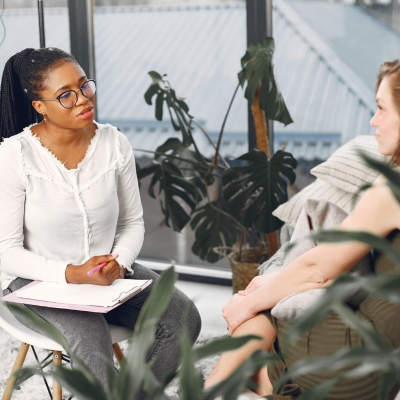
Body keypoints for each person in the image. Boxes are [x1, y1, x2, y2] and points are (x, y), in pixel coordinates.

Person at [0, 47, 201, 398]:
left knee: (182, 318)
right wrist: (71, 273)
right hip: (33, 281)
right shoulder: (14, 156)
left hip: (105, 272)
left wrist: (120, 263)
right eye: (66, 95)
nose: (82, 99)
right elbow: (6, 251)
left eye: (85, 86)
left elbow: (132, 222)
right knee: (91, 339)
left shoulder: (114, 143)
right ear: (39, 106)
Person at [204, 59, 400, 398]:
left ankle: (209, 388)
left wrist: (249, 302)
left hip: (363, 355)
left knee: (269, 305)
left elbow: (317, 269)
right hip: (384, 364)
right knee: (277, 296)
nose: (374, 121)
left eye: (382, 109)